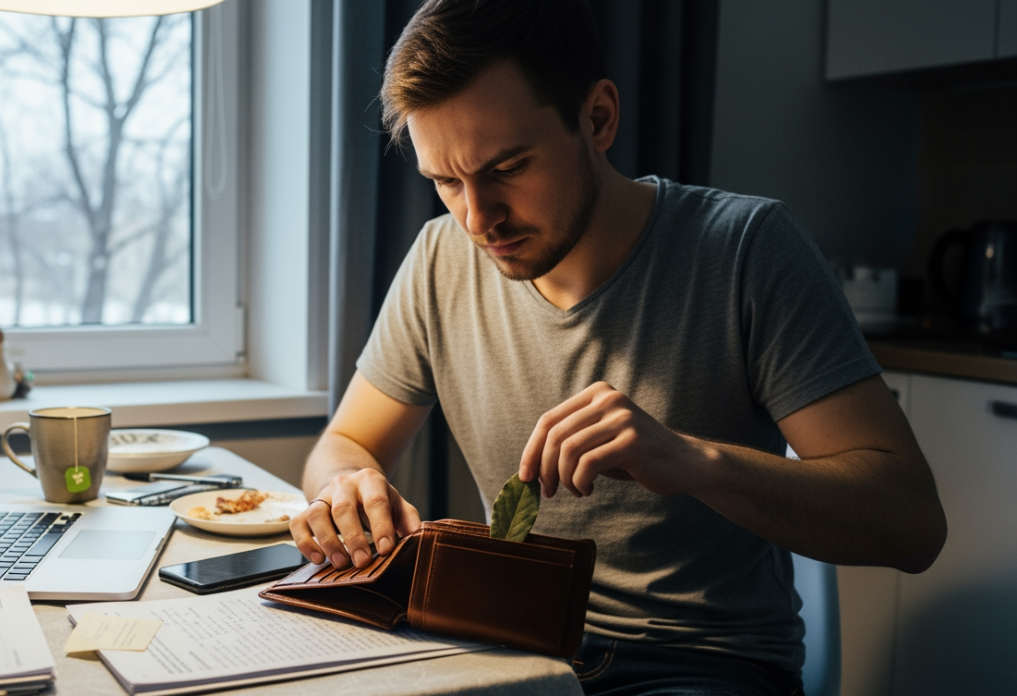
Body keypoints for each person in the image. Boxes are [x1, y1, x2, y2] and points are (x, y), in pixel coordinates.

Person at [290, 0, 948, 693]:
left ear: (598, 117)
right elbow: (344, 444)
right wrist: (344, 485)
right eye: (446, 182)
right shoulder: (439, 258)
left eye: (507, 167)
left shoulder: (746, 251)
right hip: (512, 647)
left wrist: (691, 461)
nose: (477, 219)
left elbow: (910, 525)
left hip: (698, 663)